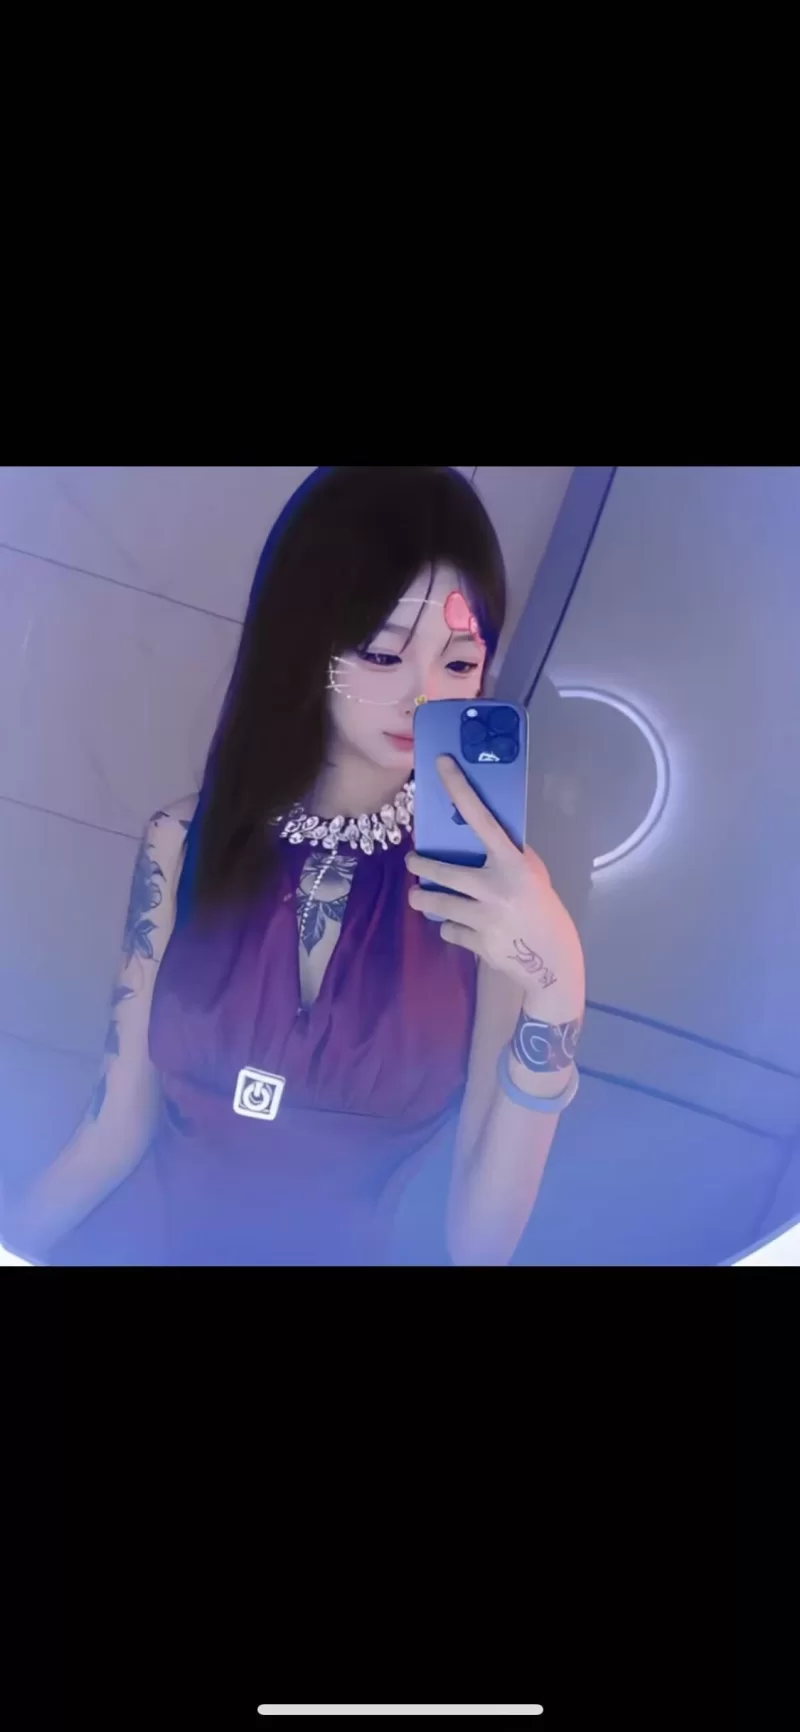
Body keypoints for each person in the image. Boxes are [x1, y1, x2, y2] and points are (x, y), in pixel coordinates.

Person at [1, 467, 586, 1267]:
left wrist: (559, 983)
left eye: (458, 665)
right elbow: (111, 1132)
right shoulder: (182, 841)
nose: (423, 697)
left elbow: (479, 1244)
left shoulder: (496, 893)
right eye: (382, 654)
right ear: (306, 643)